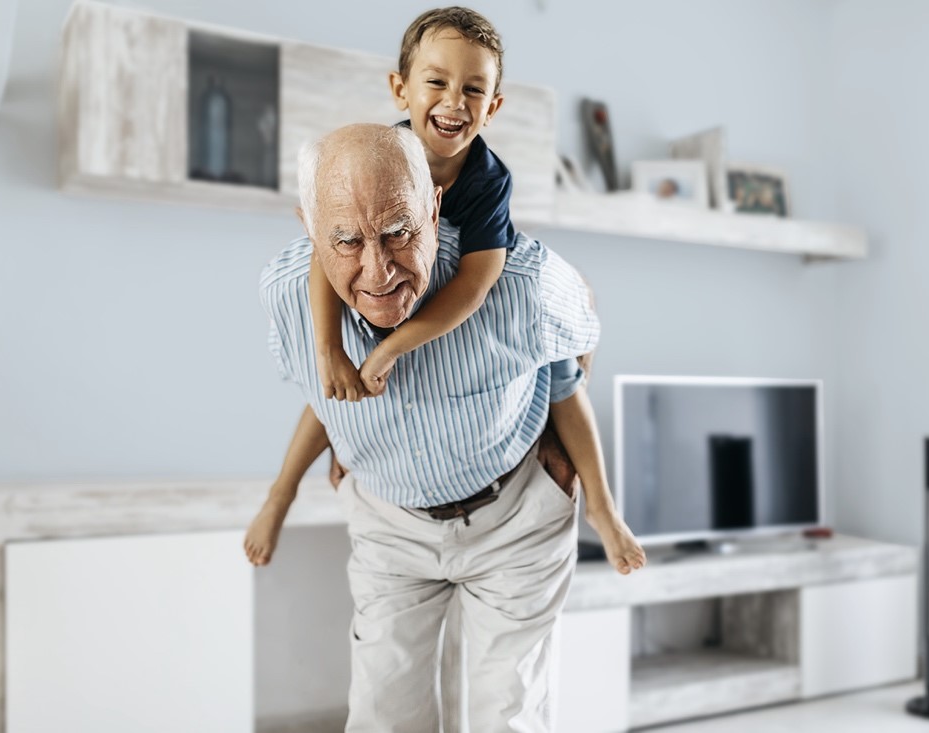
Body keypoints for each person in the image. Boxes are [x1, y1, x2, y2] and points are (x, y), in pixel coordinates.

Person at [246, 6, 645, 575]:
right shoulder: (378, 158)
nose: (454, 102)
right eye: (436, 82)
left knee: (562, 375)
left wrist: (392, 348)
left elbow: (475, 286)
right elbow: (325, 254)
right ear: (399, 90)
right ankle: (279, 495)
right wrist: (330, 348)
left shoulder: (487, 182)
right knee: (331, 386)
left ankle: (603, 510)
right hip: (396, 306)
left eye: (474, 89)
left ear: (494, 107)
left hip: (471, 295)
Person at [253, 122, 626, 729]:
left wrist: (566, 451)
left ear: (433, 206)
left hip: (515, 521)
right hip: (390, 523)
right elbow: (316, 395)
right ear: (310, 229)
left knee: (507, 715)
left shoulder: (521, 285)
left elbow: (581, 321)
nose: (378, 273)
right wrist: (302, 478)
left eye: (399, 232)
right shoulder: (286, 295)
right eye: (345, 241)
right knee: (381, 713)